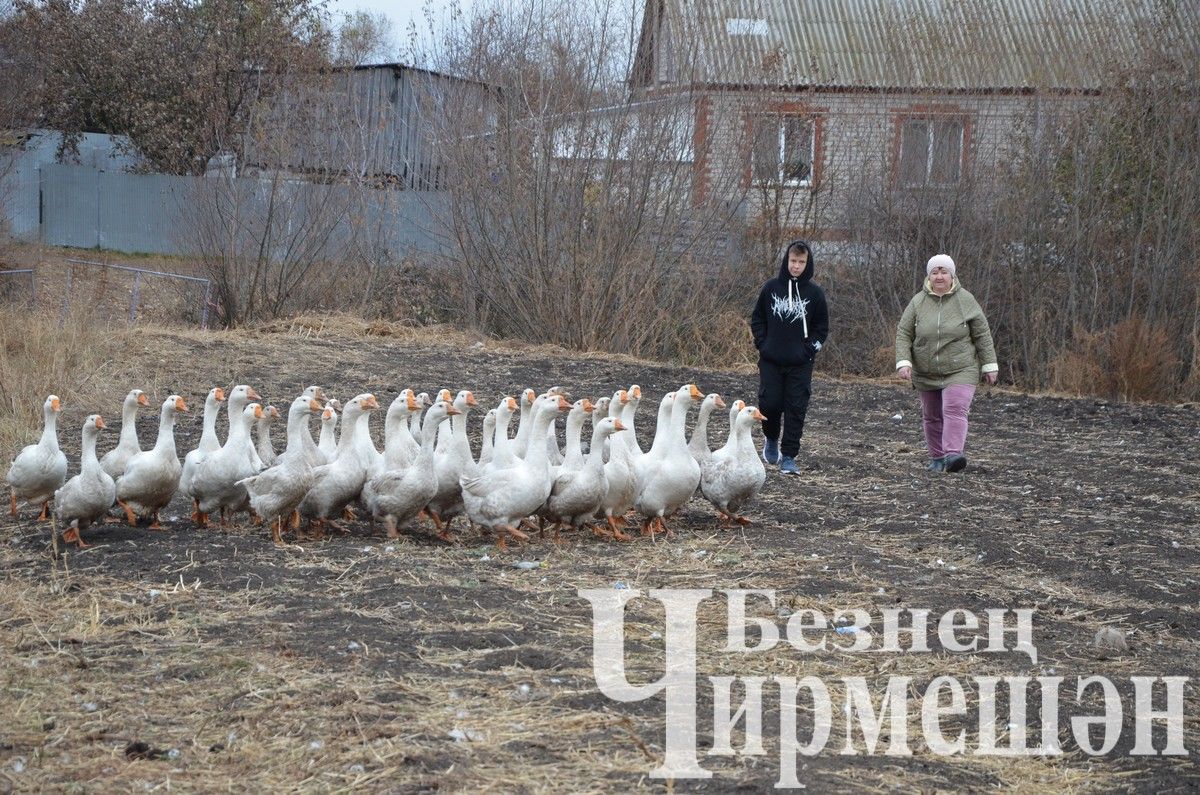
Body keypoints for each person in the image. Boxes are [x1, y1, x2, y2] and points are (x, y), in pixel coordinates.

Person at [895, 254, 998, 473]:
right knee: (932, 415)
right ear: (929, 276)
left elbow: (982, 334)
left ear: (952, 276)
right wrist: (904, 362)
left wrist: (989, 364)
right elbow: (904, 332)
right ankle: (937, 458)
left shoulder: (966, 300)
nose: (939, 276)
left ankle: (953, 455)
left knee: (954, 408)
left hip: (961, 367)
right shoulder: (918, 302)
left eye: (944, 272)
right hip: (926, 369)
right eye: (935, 272)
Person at [750, 239, 829, 475]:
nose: (796, 266)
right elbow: (757, 318)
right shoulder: (771, 287)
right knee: (770, 403)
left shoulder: (815, 294)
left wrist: (809, 350)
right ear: (787, 261)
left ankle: (789, 456)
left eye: (801, 262)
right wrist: (763, 344)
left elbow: (821, 328)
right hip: (771, 360)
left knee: (796, 407)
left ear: (808, 263)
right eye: (793, 261)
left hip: (800, 363)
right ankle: (771, 438)